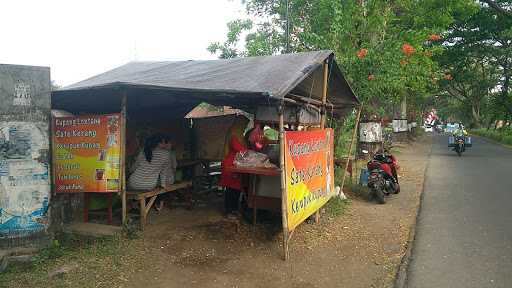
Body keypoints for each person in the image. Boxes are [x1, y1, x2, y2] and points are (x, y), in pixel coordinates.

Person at [128, 133, 174, 211]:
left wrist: (130, 171)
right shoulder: (167, 154)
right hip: (149, 186)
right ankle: (139, 205)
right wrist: (163, 186)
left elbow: (134, 167)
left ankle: (132, 205)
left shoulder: (144, 150)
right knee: (154, 187)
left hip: (134, 183)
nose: (164, 143)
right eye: (163, 142)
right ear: (158, 143)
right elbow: (163, 173)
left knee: (127, 183)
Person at [220, 133, 248, 217]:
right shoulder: (234, 137)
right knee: (230, 189)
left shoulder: (240, 137)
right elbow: (241, 149)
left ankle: (234, 209)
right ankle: (228, 211)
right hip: (230, 165)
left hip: (236, 165)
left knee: (237, 189)